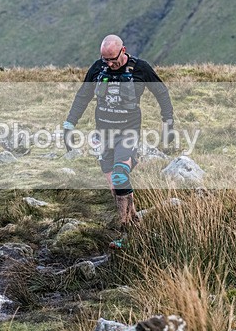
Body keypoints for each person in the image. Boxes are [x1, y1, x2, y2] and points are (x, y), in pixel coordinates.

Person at [63, 34, 174, 248]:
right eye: (106, 60)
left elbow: (161, 92)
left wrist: (167, 122)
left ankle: (123, 233)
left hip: (128, 133)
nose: (110, 64)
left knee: (120, 174)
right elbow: (83, 96)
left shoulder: (141, 68)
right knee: (116, 187)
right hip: (104, 134)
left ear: (123, 50)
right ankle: (135, 225)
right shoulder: (98, 68)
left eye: (113, 59)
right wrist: (70, 123)